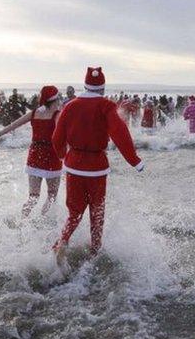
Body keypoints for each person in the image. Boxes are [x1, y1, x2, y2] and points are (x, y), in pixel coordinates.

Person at [51, 67, 143, 265]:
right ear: (102, 88)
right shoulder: (106, 105)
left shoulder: (71, 105)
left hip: (73, 166)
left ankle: (63, 241)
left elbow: (57, 136)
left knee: (74, 212)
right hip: (96, 168)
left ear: (85, 85)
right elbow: (120, 132)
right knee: (97, 210)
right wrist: (134, 160)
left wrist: (62, 156)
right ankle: (94, 252)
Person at [0, 86, 63, 220]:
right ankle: (43, 221)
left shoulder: (34, 113)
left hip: (35, 156)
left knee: (33, 197)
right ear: (55, 100)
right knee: (51, 195)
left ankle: (22, 222)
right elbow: (64, 135)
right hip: (52, 157)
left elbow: (13, 125)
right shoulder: (57, 115)